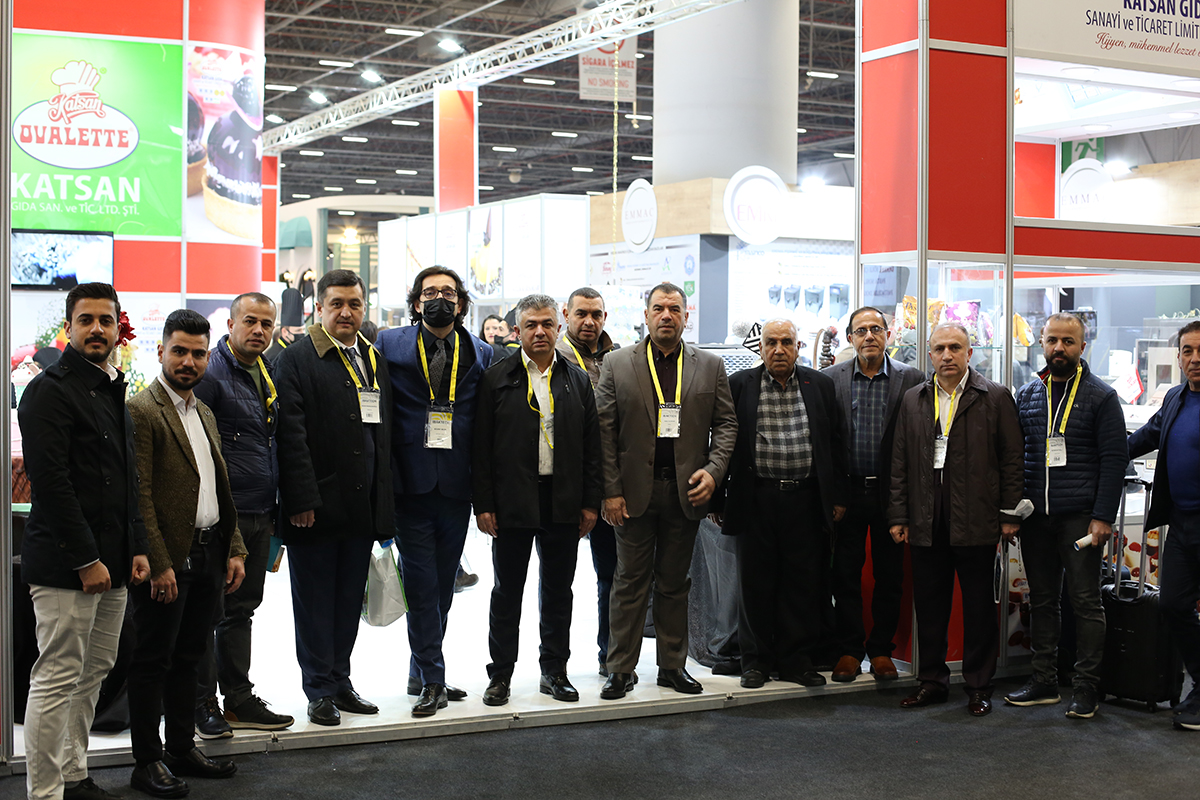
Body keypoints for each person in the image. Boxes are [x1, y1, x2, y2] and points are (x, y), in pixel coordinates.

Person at [19, 283, 151, 800]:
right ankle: (45, 791)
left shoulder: (111, 385)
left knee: (93, 670)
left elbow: (126, 478)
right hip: (67, 566)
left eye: (105, 320)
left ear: (118, 327)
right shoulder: (49, 391)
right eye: (86, 320)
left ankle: (73, 774)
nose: (97, 329)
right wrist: (86, 559)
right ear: (69, 327)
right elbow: (51, 486)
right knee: (57, 676)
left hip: (113, 562)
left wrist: (136, 546)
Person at [126, 309, 248, 797]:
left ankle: (180, 748)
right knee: (152, 660)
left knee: (191, 657)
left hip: (209, 553)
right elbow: (140, 495)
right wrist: (159, 562)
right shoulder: (142, 410)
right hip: (168, 561)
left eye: (198, 353)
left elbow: (218, 486)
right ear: (160, 351)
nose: (189, 361)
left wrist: (233, 548)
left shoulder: (204, 411)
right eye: (179, 351)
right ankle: (147, 761)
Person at [596, 282, 738, 699]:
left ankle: (672, 666)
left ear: (685, 316)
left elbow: (726, 424)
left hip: (687, 492)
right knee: (629, 582)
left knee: (676, 583)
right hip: (632, 494)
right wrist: (610, 491)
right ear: (646, 315)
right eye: (658, 308)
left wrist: (714, 472)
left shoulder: (709, 365)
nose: (666, 316)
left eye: (674, 309)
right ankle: (620, 669)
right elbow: (603, 432)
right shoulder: (617, 364)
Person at [276, 269, 395, 726]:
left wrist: (384, 504)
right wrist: (301, 499)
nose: (346, 312)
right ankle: (318, 689)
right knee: (315, 604)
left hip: (361, 506)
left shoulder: (371, 356)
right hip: (317, 507)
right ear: (319, 308)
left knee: (348, 602)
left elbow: (381, 434)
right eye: (337, 304)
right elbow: (291, 435)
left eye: (354, 304)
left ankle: (340, 681)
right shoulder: (297, 358)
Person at [472, 294, 602, 705]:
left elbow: (592, 447)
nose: (540, 332)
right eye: (531, 325)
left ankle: (555, 671)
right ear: (517, 331)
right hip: (511, 500)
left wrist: (590, 502)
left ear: (558, 328)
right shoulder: (496, 378)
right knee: (506, 592)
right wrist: (484, 504)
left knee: (558, 591)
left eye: (547, 324)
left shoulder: (577, 380)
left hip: (562, 499)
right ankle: (500, 676)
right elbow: (481, 448)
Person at [889, 323, 1023, 717]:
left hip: (977, 520)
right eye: (939, 349)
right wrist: (899, 514)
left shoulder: (994, 396)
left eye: (955, 348)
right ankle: (932, 681)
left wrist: (1009, 514)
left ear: (969, 352)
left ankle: (979, 686)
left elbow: (1013, 459)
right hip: (925, 520)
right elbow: (899, 461)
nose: (947, 355)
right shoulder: (914, 399)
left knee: (979, 610)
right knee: (930, 609)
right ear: (929, 354)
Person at [376, 266, 493, 717]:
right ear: (416, 302)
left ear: (460, 302)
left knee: (443, 586)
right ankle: (433, 679)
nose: (438, 299)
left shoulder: (481, 352)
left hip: (456, 486)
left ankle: (422, 671)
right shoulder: (388, 344)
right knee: (422, 585)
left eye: (447, 292)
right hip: (408, 483)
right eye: (430, 292)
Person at [1005, 313, 1127, 719]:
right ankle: (1043, 680)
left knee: (1085, 602)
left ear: (1082, 347)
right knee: (1042, 601)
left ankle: (1086, 687)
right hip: (1036, 518)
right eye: (1053, 340)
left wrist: (1103, 516)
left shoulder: (1101, 396)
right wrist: (1013, 510)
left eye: (1068, 341)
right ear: (1041, 343)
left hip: (1080, 519)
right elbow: (1017, 458)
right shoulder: (1027, 394)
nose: (1059, 348)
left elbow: (1114, 460)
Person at [720, 319, 848, 688]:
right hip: (755, 497)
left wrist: (837, 496)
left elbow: (835, 443)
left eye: (787, 342)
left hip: (805, 499)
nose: (779, 350)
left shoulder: (819, 385)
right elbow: (722, 441)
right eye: (772, 342)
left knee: (802, 584)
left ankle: (797, 662)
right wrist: (718, 498)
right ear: (760, 347)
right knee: (754, 584)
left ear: (798, 347)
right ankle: (755, 663)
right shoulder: (739, 385)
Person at [193, 293, 295, 737]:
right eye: (250, 321)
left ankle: (237, 698)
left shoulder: (267, 370)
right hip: (223, 515)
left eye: (266, 324)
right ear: (230, 324)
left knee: (242, 610)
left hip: (260, 510)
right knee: (208, 612)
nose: (258, 330)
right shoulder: (212, 373)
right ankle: (201, 705)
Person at [822, 307, 923, 682]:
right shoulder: (830, 379)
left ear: (888, 335)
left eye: (876, 329)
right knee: (845, 576)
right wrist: (834, 493)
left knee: (890, 576)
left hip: (890, 493)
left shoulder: (911, 378)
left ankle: (881, 650)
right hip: (846, 494)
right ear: (850, 338)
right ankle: (850, 650)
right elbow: (826, 442)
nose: (869, 336)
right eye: (861, 330)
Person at [1128, 319, 1200, 731]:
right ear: (1178, 357)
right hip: (1182, 523)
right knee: (1173, 605)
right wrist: (1106, 456)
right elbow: (1146, 436)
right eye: (1188, 351)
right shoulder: (1175, 397)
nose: (1195, 358)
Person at [555, 286, 622, 675]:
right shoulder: (554, 357)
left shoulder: (620, 358)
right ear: (566, 314)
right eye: (581, 313)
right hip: (564, 482)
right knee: (557, 580)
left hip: (609, 480)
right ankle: (555, 667)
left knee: (611, 576)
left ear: (604, 317)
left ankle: (610, 655)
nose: (589, 321)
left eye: (596, 314)